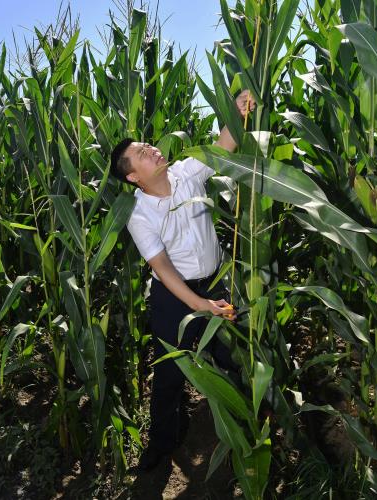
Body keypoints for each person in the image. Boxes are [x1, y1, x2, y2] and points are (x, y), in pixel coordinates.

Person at [109, 90, 254, 471]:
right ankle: (161, 443)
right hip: (174, 296)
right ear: (133, 177)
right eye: (143, 154)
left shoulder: (188, 171)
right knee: (170, 372)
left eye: (149, 146)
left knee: (231, 357)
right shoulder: (139, 215)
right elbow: (163, 267)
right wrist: (200, 305)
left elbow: (224, 145)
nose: (154, 151)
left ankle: (246, 425)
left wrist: (236, 110)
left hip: (215, 282)